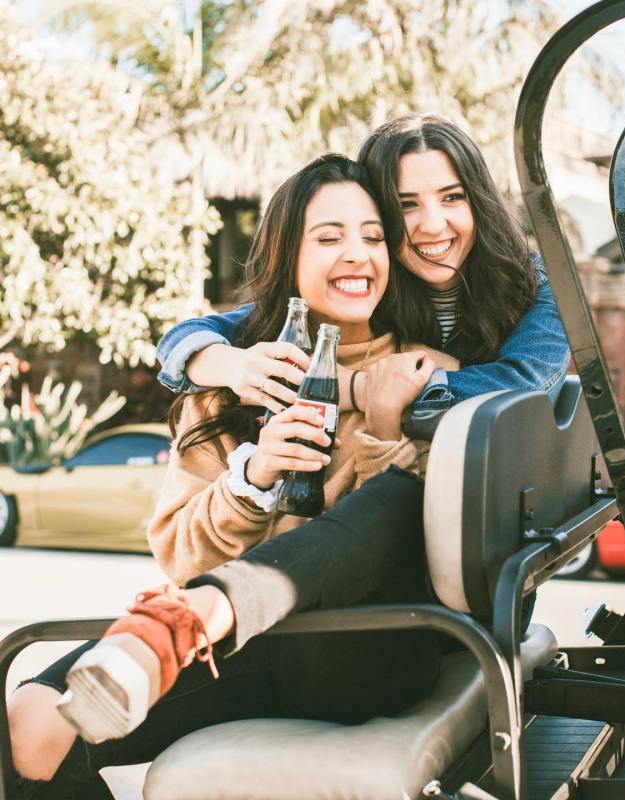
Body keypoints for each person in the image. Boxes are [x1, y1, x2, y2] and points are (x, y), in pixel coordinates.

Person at [8, 154, 458, 800]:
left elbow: (392, 538)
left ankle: (171, 634)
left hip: (362, 643)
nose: (358, 255)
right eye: (329, 238)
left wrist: (384, 430)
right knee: (30, 720)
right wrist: (255, 477)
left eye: (374, 237)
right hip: (242, 646)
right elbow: (176, 551)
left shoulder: (426, 370)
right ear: (286, 255)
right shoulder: (228, 382)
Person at [156, 114, 570, 433]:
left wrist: (353, 386)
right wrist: (230, 365)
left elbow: (525, 388)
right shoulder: (368, 287)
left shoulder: (532, 280)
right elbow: (191, 336)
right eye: (407, 204)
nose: (432, 224)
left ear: (478, 201)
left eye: (452, 198)